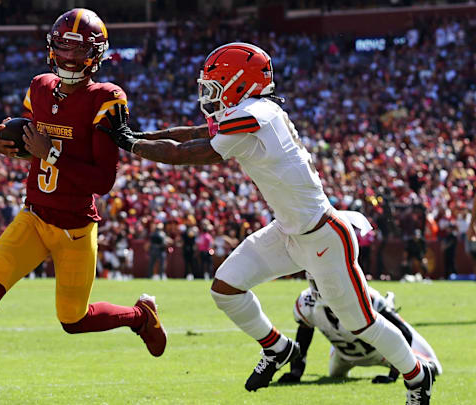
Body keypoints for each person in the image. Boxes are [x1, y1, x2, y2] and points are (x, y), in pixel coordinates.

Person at [99, 42, 435, 404]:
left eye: (216, 83)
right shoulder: (254, 111)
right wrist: (139, 136)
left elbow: (191, 153)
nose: (209, 92)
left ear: (240, 81)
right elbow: (198, 132)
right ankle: (277, 348)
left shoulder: (257, 113)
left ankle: (418, 377)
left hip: (323, 236)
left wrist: (131, 144)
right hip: (289, 232)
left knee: (362, 324)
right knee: (225, 288)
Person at [0, 9, 166, 405]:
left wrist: (51, 154)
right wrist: (1, 144)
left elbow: (102, 181)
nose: (69, 57)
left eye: (78, 49)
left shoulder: (107, 98)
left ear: (96, 54)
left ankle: (140, 316)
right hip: (34, 216)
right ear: (51, 48)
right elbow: (28, 145)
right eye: (63, 47)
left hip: (75, 228)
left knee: (73, 320)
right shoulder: (39, 86)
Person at [278, 275, 442, 384]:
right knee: (334, 376)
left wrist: (393, 375)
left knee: (432, 367)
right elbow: (303, 337)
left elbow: (403, 332)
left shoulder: (365, 296)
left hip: (381, 353)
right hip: (343, 355)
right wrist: (296, 373)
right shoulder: (307, 303)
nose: (325, 288)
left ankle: (389, 309)